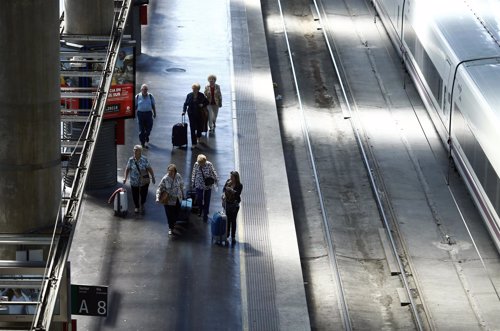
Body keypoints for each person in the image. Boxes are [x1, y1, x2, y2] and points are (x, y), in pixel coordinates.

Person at [123, 145, 155, 214]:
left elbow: (149, 168)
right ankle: (137, 206)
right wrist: (125, 178)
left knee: (144, 194)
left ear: (140, 151)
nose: (135, 151)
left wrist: (153, 177)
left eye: (136, 150)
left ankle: (142, 204)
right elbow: (127, 169)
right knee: (135, 194)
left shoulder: (144, 159)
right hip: (134, 181)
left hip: (143, 181)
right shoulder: (131, 160)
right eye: (134, 149)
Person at [156, 164, 184, 236]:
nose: (170, 172)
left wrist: (183, 194)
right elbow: (159, 188)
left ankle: (173, 223)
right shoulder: (165, 178)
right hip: (168, 200)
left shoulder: (178, 176)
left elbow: (181, 185)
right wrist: (157, 197)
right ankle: (170, 228)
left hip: (177, 198)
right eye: (169, 171)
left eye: (172, 171)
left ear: (175, 171)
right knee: (169, 214)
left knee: (176, 213)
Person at [191, 154, 218, 222]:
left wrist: (216, 179)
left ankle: (205, 214)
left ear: (205, 161)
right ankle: (200, 208)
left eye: (202, 163)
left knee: (207, 200)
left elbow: (213, 171)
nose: (201, 165)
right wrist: (193, 182)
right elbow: (194, 173)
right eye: (199, 163)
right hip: (198, 184)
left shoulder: (209, 164)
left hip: (207, 185)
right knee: (199, 198)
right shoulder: (196, 164)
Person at [182, 83, 209, 149]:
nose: (194, 90)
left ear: (198, 89)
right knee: (192, 128)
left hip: (199, 113)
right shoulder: (189, 95)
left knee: (199, 127)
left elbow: (207, 102)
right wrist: (184, 111)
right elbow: (185, 104)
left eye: (195, 89)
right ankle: (193, 143)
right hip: (191, 114)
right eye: (193, 89)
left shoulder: (201, 95)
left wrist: (202, 105)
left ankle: (199, 136)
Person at [223, 171, 243, 244]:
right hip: (228, 203)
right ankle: (227, 234)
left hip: (235, 205)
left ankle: (233, 236)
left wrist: (230, 190)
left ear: (236, 178)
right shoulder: (228, 182)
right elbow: (224, 189)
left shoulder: (239, 185)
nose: (230, 178)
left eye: (232, 177)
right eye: (230, 176)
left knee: (233, 220)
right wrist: (227, 189)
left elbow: (237, 194)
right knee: (228, 219)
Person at [135, 84, 157, 148]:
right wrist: (133, 114)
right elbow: (135, 106)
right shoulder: (137, 96)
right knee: (141, 129)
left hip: (148, 114)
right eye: (144, 89)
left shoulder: (150, 96)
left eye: (146, 89)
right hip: (140, 114)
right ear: (141, 90)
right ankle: (142, 143)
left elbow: (153, 105)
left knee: (149, 128)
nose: (145, 90)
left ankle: (146, 135)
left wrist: (154, 113)